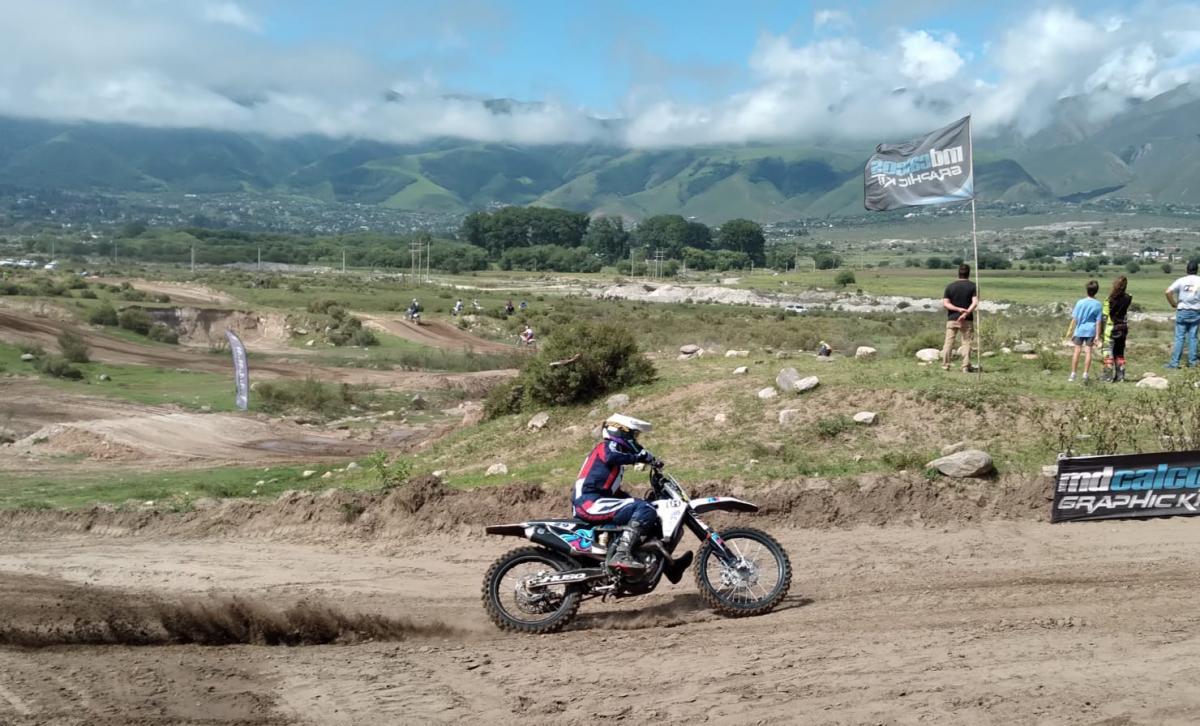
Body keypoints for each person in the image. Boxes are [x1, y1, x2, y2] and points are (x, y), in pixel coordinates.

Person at [571, 415, 658, 572]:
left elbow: (614, 493)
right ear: (620, 431)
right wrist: (638, 457)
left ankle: (666, 563)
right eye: (633, 434)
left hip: (594, 501)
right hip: (589, 503)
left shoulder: (615, 463)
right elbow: (611, 456)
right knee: (644, 509)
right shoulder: (606, 447)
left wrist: (635, 501)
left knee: (644, 508)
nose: (635, 439)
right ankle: (622, 554)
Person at [941, 263, 978, 372]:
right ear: (968, 273)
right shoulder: (973, 286)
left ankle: (945, 365)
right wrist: (965, 313)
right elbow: (975, 303)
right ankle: (965, 366)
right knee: (966, 342)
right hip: (967, 319)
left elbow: (945, 303)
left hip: (952, 318)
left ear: (958, 273)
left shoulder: (950, 286)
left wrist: (957, 309)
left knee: (949, 342)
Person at [1165, 260, 1200, 369]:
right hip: (1196, 311)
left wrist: (1173, 304)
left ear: (1186, 269)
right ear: (1197, 270)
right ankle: (1193, 363)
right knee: (1193, 338)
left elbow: (1168, 292)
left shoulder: (1181, 280)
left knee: (1180, 338)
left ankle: (1175, 363)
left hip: (1182, 310)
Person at [1067, 280, 1103, 382]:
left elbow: (1075, 319)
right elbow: (1098, 321)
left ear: (1087, 290)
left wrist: (1071, 331)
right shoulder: (1098, 304)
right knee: (1088, 352)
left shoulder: (1080, 302)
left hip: (1080, 330)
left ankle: (1073, 374)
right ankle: (1085, 374)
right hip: (1091, 331)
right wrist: (1097, 335)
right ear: (1096, 291)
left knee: (1077, 351)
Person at [1101, 276, 1132, 382]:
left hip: (1111, 328)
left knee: (1107, 352)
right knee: (1119, 353)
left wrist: (1100, 331)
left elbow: (1104, 316)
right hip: (1123, 328)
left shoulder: (1109, 299)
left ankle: (1107, 377)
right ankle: (1120, 376)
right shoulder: (1128, 298)